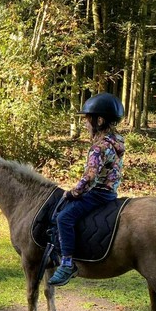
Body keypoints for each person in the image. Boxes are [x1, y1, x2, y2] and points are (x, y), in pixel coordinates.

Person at [47, 92, 126, 286]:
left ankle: (67, 263)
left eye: (88, 119)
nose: (85, 123)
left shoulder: (99, 148)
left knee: (64, 218)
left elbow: (90, 177)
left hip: (97, 194)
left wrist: (74, 192)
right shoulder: (116, 141)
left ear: (99, 120)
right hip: (110, 193)